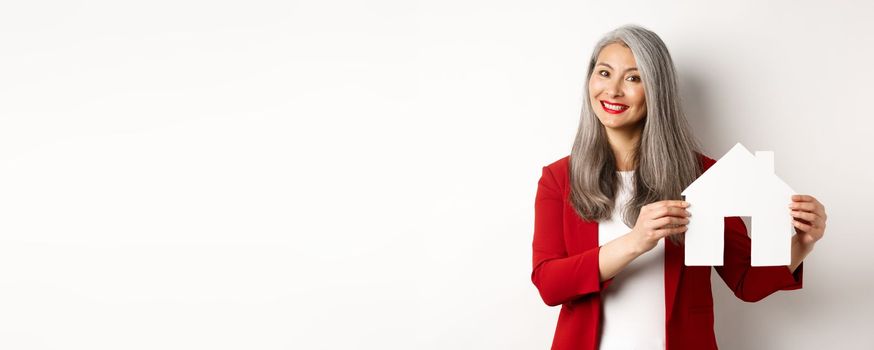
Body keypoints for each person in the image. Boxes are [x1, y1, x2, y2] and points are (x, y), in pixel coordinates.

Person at [530, 24, 827, 350]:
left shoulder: (703, 174)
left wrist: (801, 243)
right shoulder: (560, 178)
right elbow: (550, 284)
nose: (613, 90)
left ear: (657, 90)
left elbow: (746, 283)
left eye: (633, 78)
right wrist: (635, 242)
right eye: (604, 73)